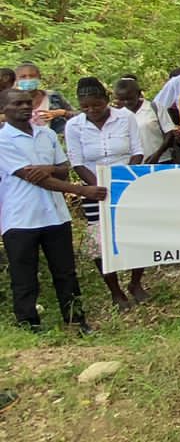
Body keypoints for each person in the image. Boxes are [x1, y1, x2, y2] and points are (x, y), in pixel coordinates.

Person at [0, 89, 105, 334]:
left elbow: (62, 169)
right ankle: (29, 325)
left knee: (66, 272)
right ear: (4, 108)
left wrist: (44, 168)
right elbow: (32, 177)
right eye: (18, 104)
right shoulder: (2, 141)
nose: (25, 107)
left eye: (28, 102)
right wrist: (83, 191)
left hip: (55, 214)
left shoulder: (46, 134)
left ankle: (76, 322)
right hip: (21, 217)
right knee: (24, 275)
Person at [64, 77, 147, 311]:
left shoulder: (125, 117)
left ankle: (135, 282)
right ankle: (115, 291)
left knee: (136, 235)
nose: (92, 111)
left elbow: (137, 151)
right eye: (86, 107)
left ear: (107, 100)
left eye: (97, 105)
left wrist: (123, 181)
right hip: (94, 190)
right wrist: (99, 186)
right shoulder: (74, 126)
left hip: (127, 184)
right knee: (100, 242)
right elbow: (77, 162)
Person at [112, 77, 175, 164]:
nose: (126, 102)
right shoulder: (118, 115)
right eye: (122, 100)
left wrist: (157, 154)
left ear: (138, 94)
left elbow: (169, 133)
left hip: (160, 160)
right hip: (133, 164)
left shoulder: (154, 108)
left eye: (130, 98)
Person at [12, 63, 72, 134]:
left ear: (39, 77)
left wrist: (62, 113)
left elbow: (77, 115)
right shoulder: (8, 100)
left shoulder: (53, 96)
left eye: (32, 76)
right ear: (15, 80)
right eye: (23, 77)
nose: (28, 79)